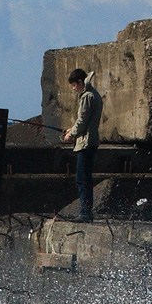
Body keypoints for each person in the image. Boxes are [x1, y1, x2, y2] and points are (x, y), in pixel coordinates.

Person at [61, 68, 103, 222]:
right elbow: (87, 121)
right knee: (85, 178)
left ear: (80, 82)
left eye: (74, 85)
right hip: (91, 141)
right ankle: (86, 212)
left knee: (82, 179)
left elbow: (82, 121)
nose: (73, 89)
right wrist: (72, 129)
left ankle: (85, 213)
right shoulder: (95, 94)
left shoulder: (86, 97)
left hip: (85, 143)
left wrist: (70, 134)